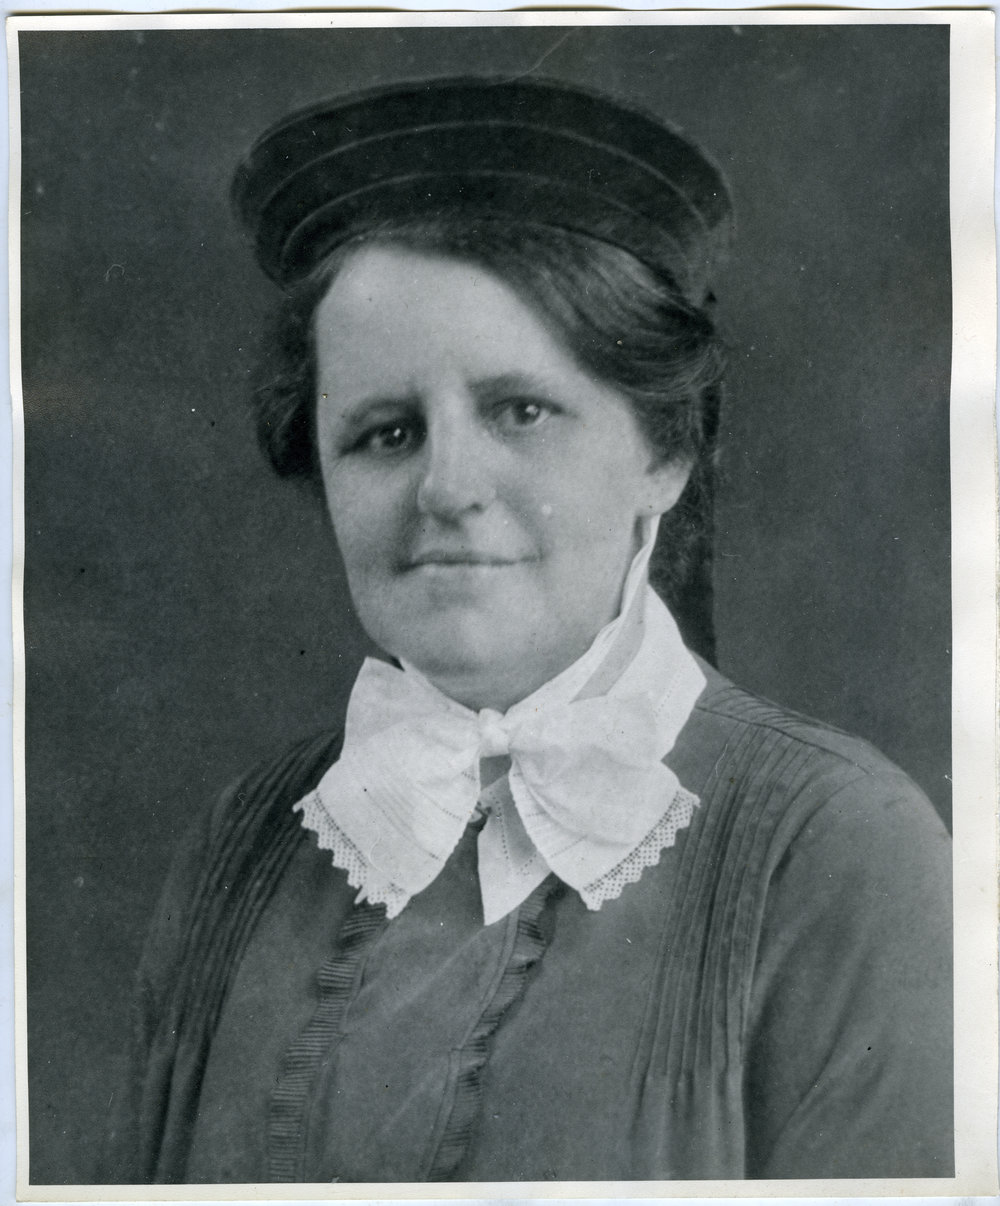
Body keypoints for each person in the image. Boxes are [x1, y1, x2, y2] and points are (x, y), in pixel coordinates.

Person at [100, 76, 952, 1184]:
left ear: (663, 453)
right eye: (384, 432)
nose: (446, 486)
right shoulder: (243, 849)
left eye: (521, 410)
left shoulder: (837, 850)